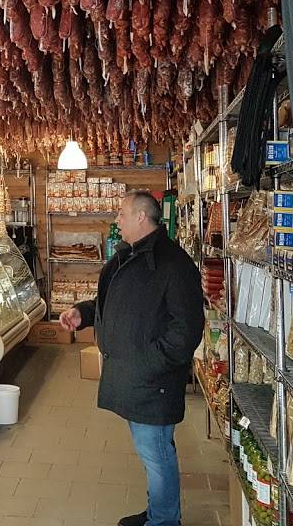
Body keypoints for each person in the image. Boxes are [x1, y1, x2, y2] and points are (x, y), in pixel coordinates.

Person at [59, 191, 204, 526]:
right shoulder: (130, 256)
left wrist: (150, 363)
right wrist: (84, 313)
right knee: (151, 452)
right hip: (138, 378)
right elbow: (114, 303)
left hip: (153, 381)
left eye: (122, 214)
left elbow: (187, 331)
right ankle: (159, 512)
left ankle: (164, 521)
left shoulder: (173, 264)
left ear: (141, 217)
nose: (117, 220)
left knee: (157, 454)